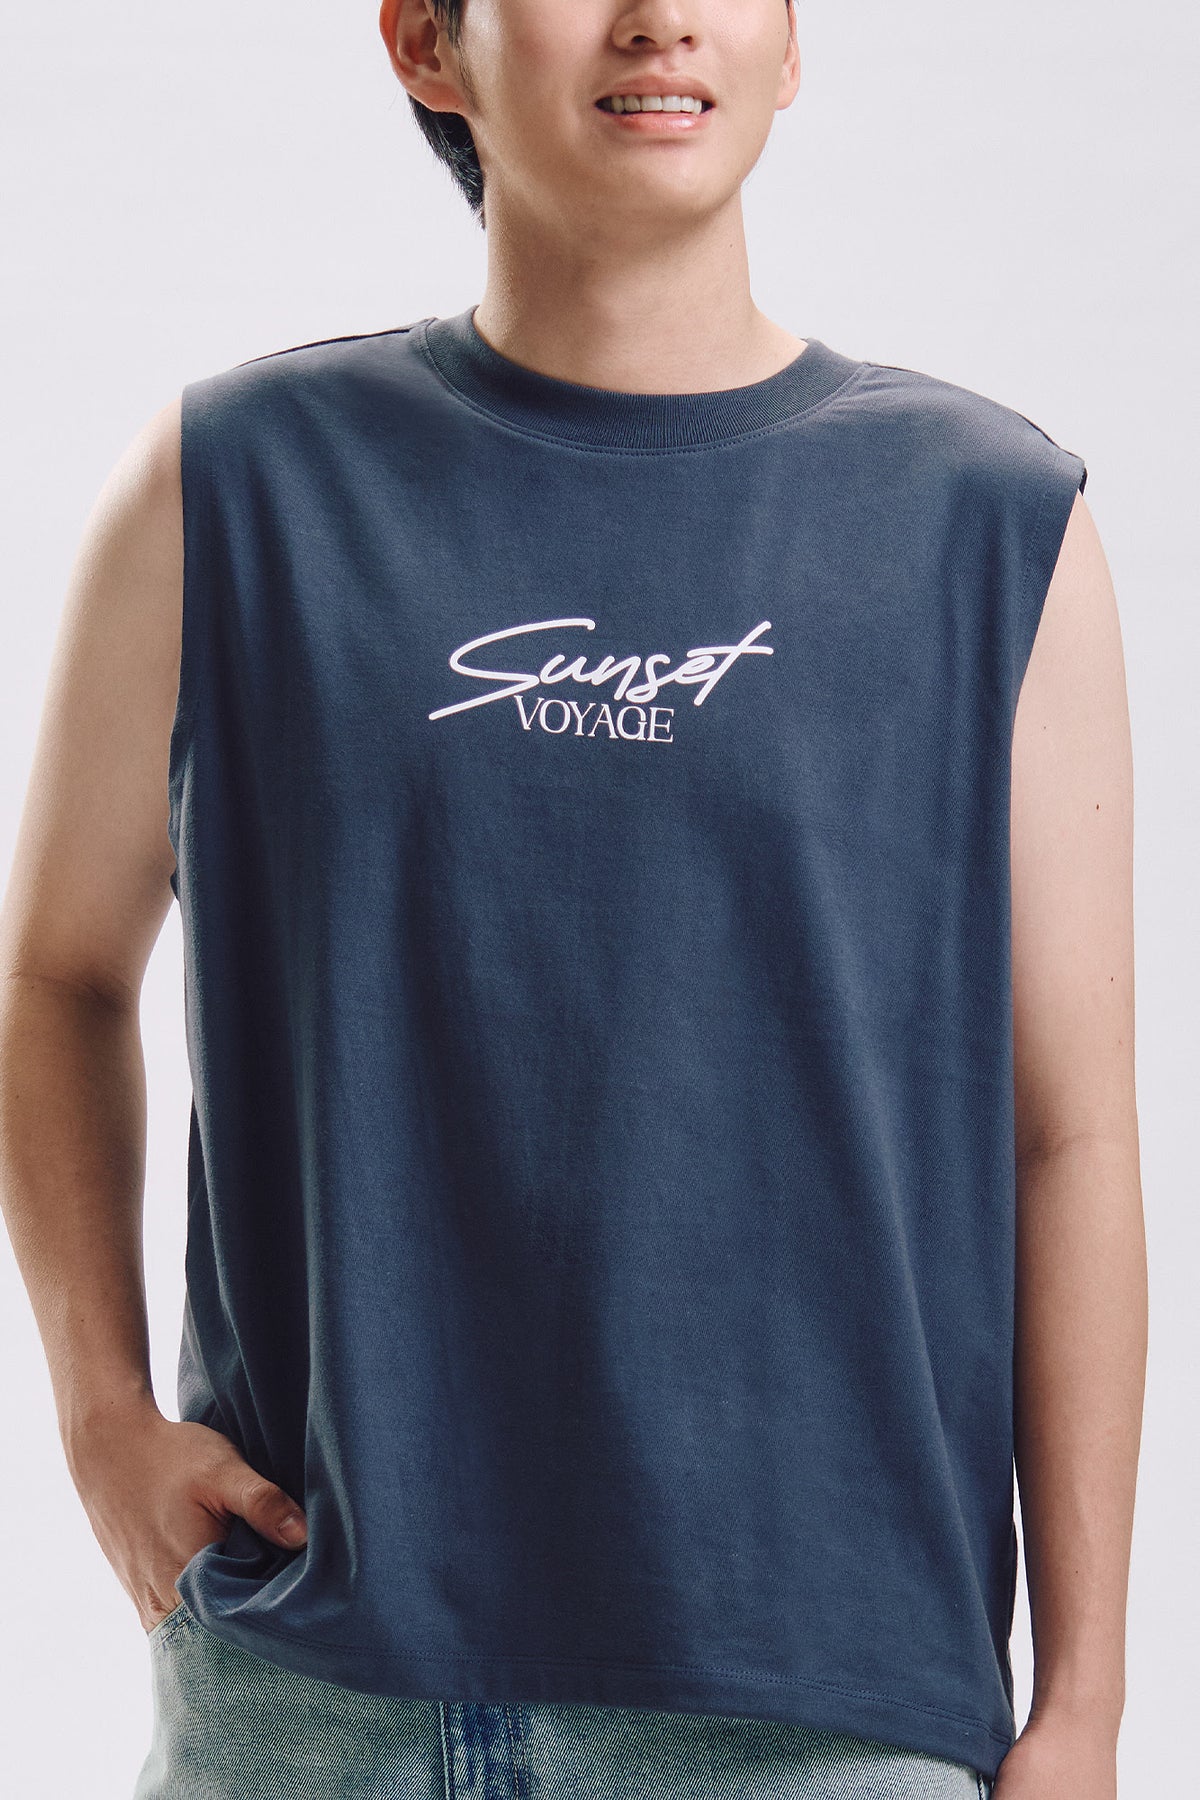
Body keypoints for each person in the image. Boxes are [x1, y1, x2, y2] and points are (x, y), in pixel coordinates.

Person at [0, 0, 1146, 1794]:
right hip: (316, 1704)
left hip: (823, 1722)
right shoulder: (237, 487)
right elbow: (58, 976)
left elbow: (1069, 1137)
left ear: (789, 48)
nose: (659, 17)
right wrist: (95, 1414)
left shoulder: (989, 526)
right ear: (425, 43)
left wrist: (1082, 1703)